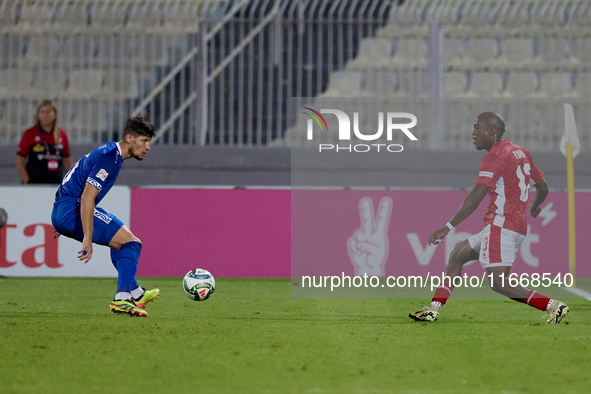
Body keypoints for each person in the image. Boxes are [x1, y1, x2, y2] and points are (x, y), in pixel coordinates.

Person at [409, 112, 569, 324]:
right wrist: (535, 206)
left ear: (493, 131)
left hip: (501, 226)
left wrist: (447, 227)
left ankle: (554, 306)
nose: (473, 133)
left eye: (478, 128)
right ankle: (433, 309)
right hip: (515, 226)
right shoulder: (521, 152)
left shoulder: (496, 155)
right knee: (458, 255)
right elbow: (543, 187)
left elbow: (475, 197)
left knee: (499, 283)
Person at [51, 117, 159, 317]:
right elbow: (87, 197)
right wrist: (87, 237)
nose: (148, 147)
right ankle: (122, 299)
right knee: (132, 244)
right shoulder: (110, 157)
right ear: (129, 138)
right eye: (144, 140)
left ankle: (136, 293)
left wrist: (60, 217)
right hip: (72, 208)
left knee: (121, 243)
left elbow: (74, 180)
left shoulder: (109, 152)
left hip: (63, 208)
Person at [16, 100, 74, 184]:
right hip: (34, 182)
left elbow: (67, 160)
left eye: (48, 112)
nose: (45, 115)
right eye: (42, 112)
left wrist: (72, 180)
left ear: (55, 115)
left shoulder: (62, 135)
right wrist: (25, 179)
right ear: (38, 115)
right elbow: (19, 160)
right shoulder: (30, 134)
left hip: (56, 181)